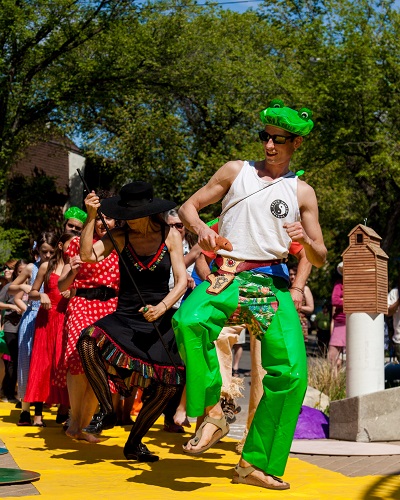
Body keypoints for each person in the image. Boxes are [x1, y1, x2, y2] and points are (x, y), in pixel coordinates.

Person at [172, 99, 326, 491]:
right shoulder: (235, 171)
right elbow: (189, 206)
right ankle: (214, 412)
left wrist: (305, 240)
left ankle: (255, 463)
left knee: (291, 374)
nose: (270, 145)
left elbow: (321, 256)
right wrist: (201, 230)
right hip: (228, 276)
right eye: (266, 137)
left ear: (296, 145)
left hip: (270, 285)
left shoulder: (302, 191)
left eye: (279, 140)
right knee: (187, 320)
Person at [77, 181, 187, 460]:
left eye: (131, 214)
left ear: (148, 212)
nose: (126, 219)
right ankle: (106, 408)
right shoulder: (120, 235)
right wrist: (91, 218)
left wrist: (162, 307)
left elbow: (182, 281)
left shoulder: (169, 234)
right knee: (88, 340)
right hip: (125, 317)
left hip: (158, 318)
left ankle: (134, 442)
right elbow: (87, 255)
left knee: (169, 385)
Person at [57, 201, 120, 442]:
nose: (105, 223)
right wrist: (72, 271)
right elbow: (62, 285)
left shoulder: (121, 245)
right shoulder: (76, 244)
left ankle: (81, 427)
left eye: (110, 218)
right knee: (78, 361)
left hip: (110, 309)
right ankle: (75, 421)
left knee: (101, 368)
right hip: (82, 304)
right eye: (99, 217)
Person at [24, 233, 75, 426]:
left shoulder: (75, 267)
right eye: (71, 245)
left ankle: (65, 409)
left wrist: (74, 292)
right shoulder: (47, 267)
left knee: (63, 363)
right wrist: (41, 296)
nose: (74, 248)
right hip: (46, 320)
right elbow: (32, 293)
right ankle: (37, 414)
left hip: (66, 319)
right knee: (42, 364)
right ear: (61, 246)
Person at [9, 233, 58, 425]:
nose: (46, 256)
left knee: (43, 365)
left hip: (48, 320)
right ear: (37, 250)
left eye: (50, 252)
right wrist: (25, 287)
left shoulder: (57, 268)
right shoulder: (31, 267)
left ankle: (39, 411)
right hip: (32, 318)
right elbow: (13, 289)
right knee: (25, 363)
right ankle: (25, 409)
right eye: (43, 251)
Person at [0, 260, 28, 402]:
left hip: (27, 326)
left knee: (23, 359)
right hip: (12, 326)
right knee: (13, 359)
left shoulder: (32, 286)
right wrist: (12, 307)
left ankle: (19, 392)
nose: (23, 274)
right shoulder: (10, 287)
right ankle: (8, 392)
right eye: (19, 271)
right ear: (16, 272)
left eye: (25, 271)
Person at [289, 263, 314, 342]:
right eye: (290, 274)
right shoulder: (286, 289)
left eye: (295, 274)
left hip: (300, 323)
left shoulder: (305, 289)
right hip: (288, 321)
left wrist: (296, 306)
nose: (292, 277)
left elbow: (310, 308)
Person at [328, 262, 345, 374]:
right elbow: (335, 300)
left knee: (349, 357)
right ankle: (333, 381)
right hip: (340, 321)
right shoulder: (339, 284)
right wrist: (349, 301)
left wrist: (343, 300)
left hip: (353, 323)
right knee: (332, 355)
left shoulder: (357, 284)